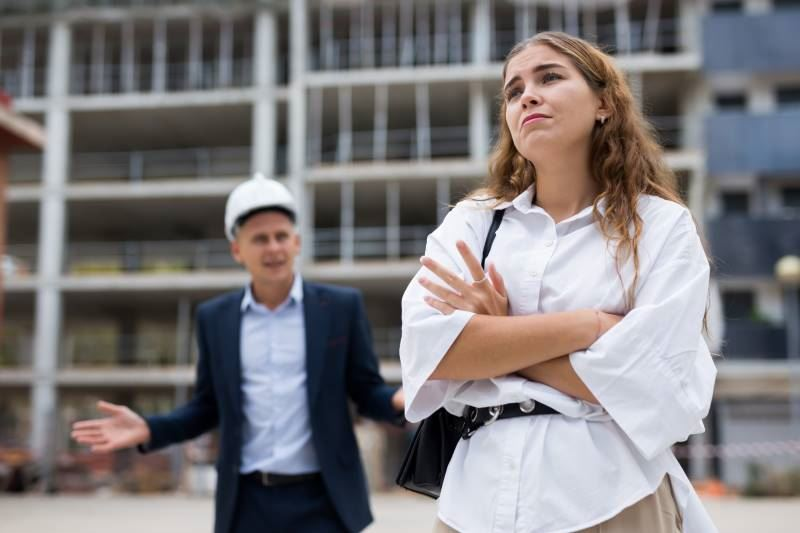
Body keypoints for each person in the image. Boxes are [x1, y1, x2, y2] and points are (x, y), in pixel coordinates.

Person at [399, 32, 717, 533]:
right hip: (475, 504)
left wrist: (499, 335)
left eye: (550, 77)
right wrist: (588, 326)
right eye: (513, 90)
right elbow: (430, 353)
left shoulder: (661, 227)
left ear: (604, 104)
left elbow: (656, 389)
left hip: (614, 499)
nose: (527, 95)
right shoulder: (472, 223)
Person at [72, 174, 405, 533]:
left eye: (281, 236)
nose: (273, 248)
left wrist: (402, 399)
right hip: (247, 504)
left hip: (325, 501)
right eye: (259, 239)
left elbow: (366, 390)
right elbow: (206, 408)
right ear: (237, 250)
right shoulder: (215, 319)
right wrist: (149, 429)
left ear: (296, 242)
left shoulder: (341, 308)